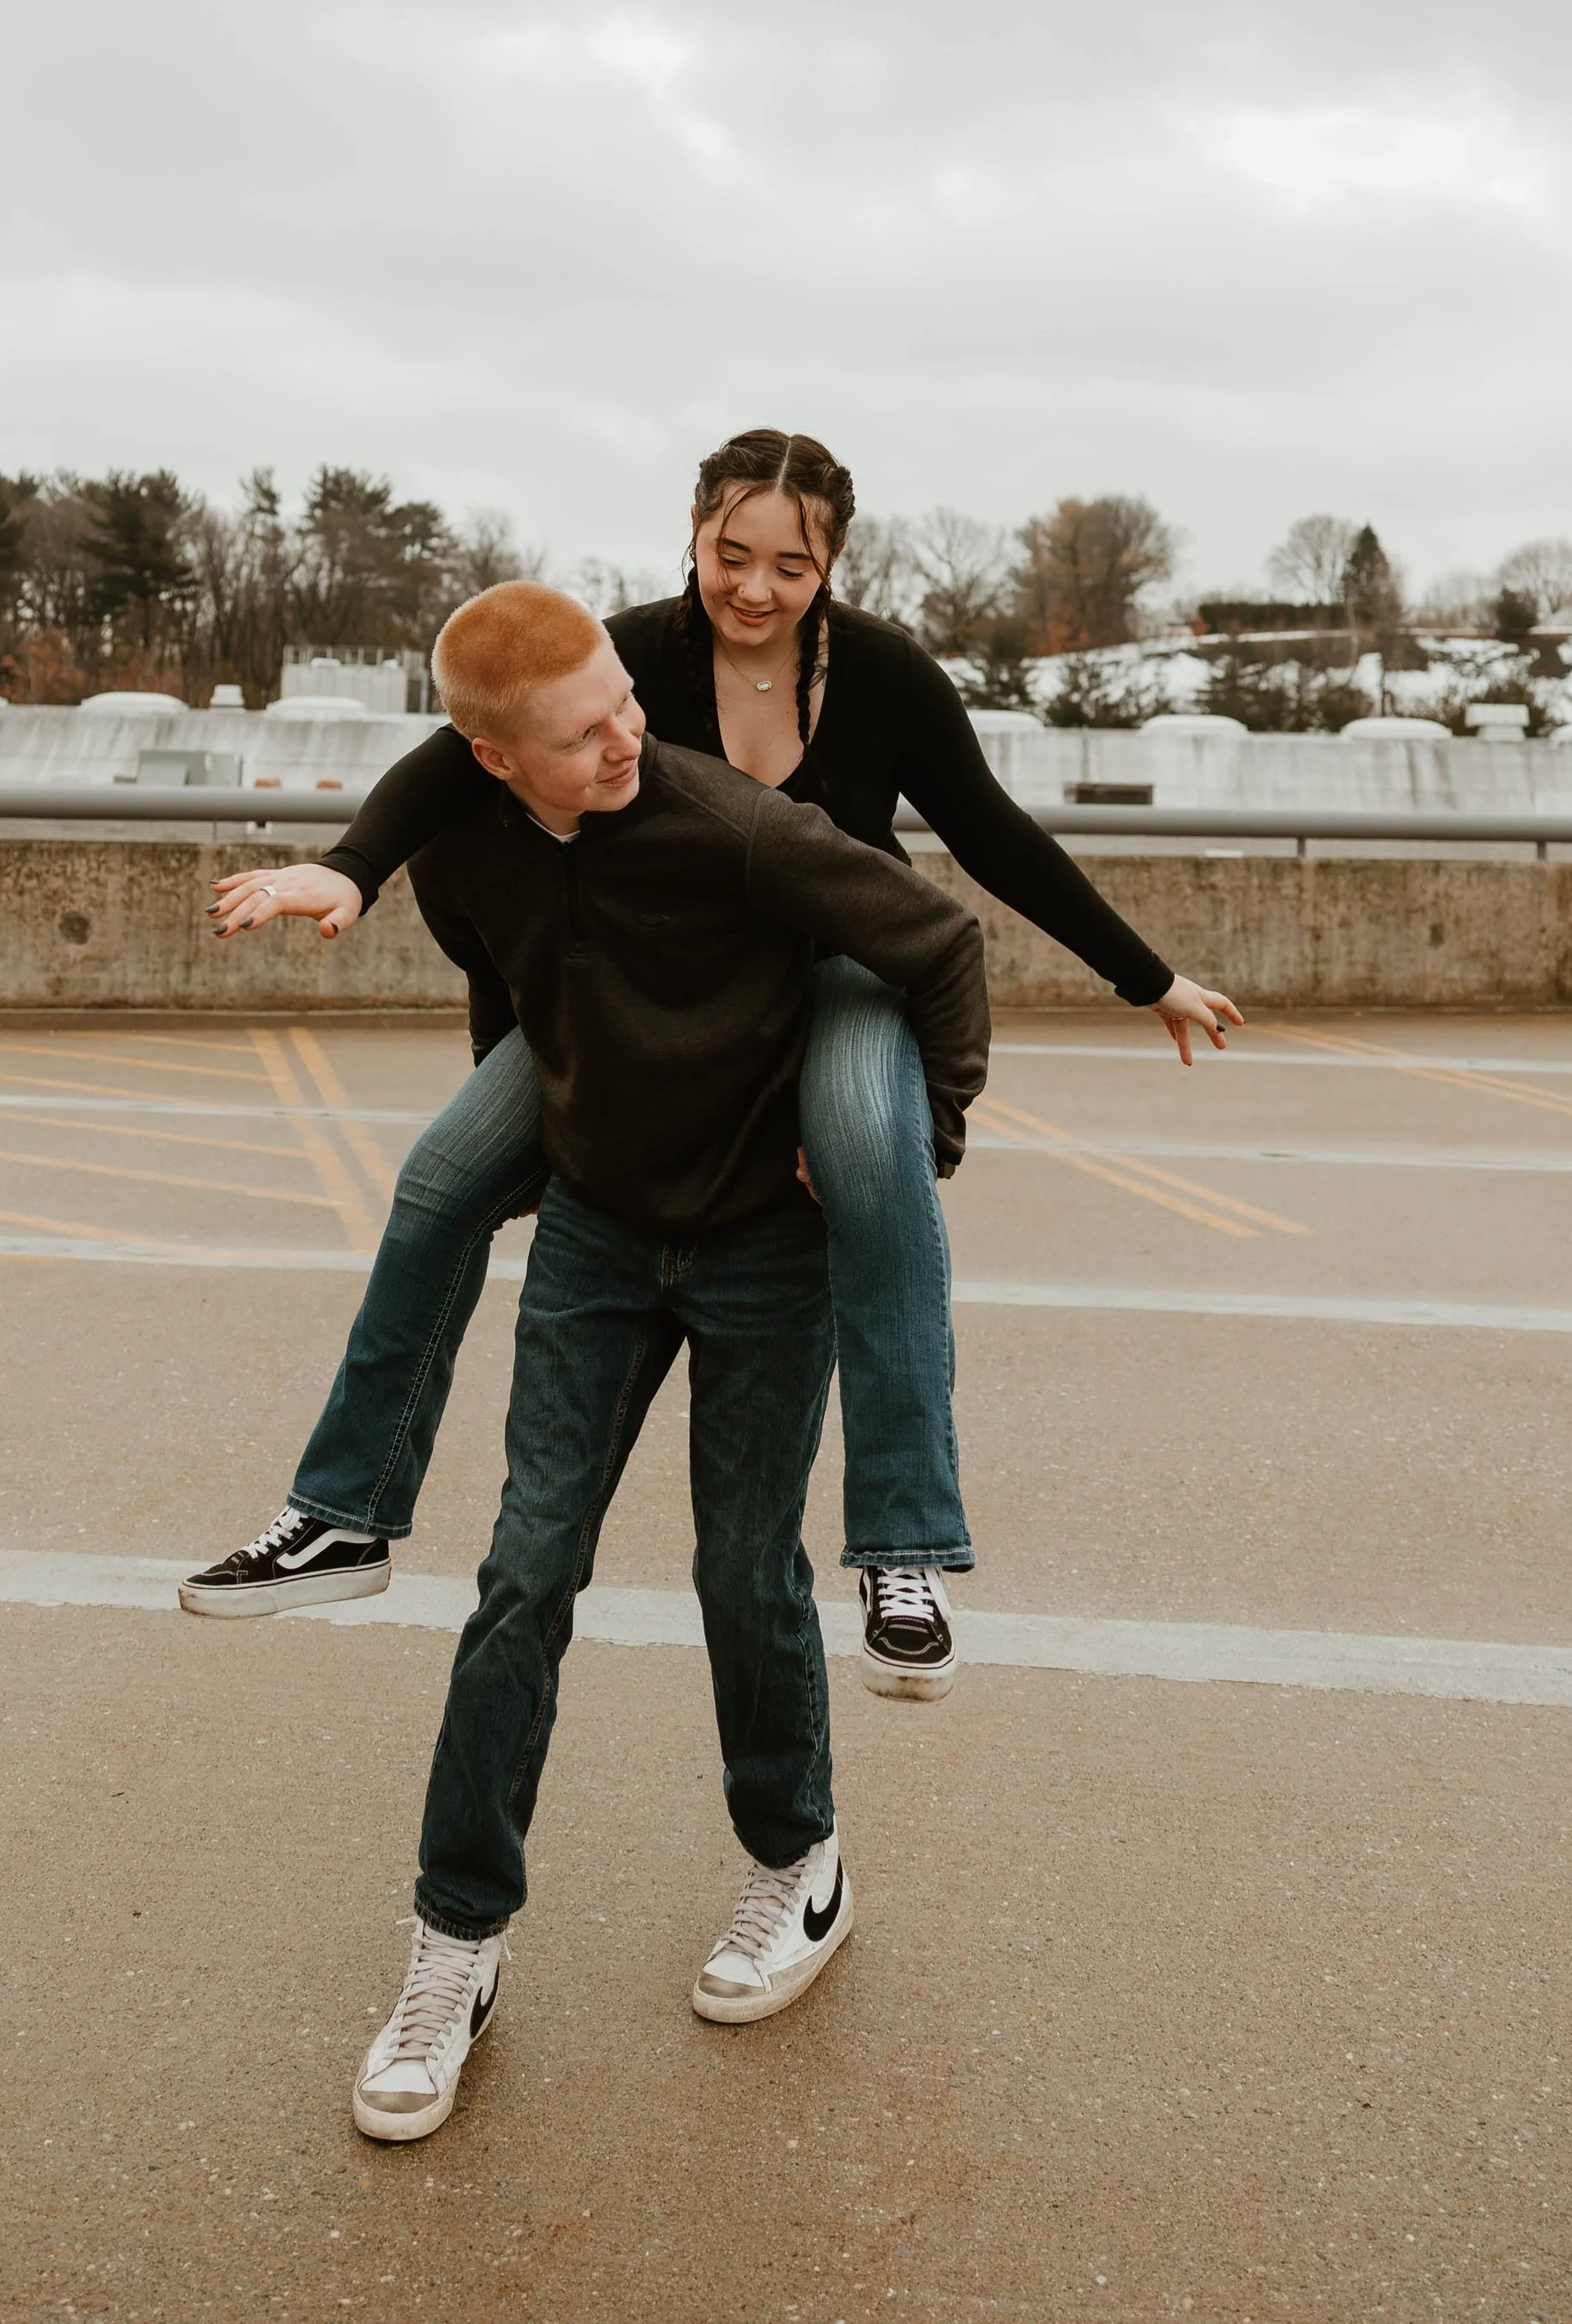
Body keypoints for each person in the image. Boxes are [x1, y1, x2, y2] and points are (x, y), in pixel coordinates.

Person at [187, 428, 1239, 1700]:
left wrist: (1148, 977)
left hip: (835, 971)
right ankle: (344, 1509)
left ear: (833, 559)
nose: (752, 587)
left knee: (872, 1155)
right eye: (729, 552)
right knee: (439, 1174)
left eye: (789, 565)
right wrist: (347, 868)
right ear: (693, 530)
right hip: (659, 982)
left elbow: (996, 840)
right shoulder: (629, 653)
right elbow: (451, 764)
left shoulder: (888, 680)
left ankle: (904, 1548)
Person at [340, 581, 989, 2140]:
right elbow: (514, 1002)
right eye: (584, 730)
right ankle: (456, 1946)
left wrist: (915, 1141)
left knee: (740, 1568)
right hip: (600, 1247)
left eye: (626, 700)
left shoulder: (735, 825)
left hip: (767, 1246)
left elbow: (941, 940)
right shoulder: (468, 852)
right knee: (524, 1571)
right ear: (497, 760)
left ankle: (798, 1863)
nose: (629, 734)